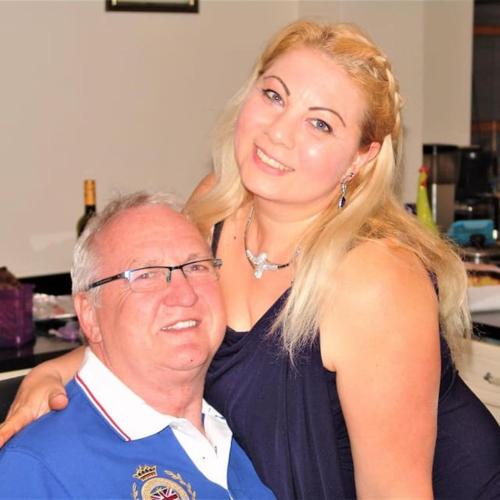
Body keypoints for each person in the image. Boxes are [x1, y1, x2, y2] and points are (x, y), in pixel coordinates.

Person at [1, 19, 500, 499]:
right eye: (274, 96)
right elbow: (163, 325)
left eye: (320, 123)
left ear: (361, 156)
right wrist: (63, 368)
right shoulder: (215, 207)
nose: (279, 133)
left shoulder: (375, 280)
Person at [0, 193, 274, 499]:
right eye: (146, 275)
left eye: (196, 267)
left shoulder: (240, 427)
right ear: (89, 315)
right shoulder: (39, 469)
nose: (185, 295)